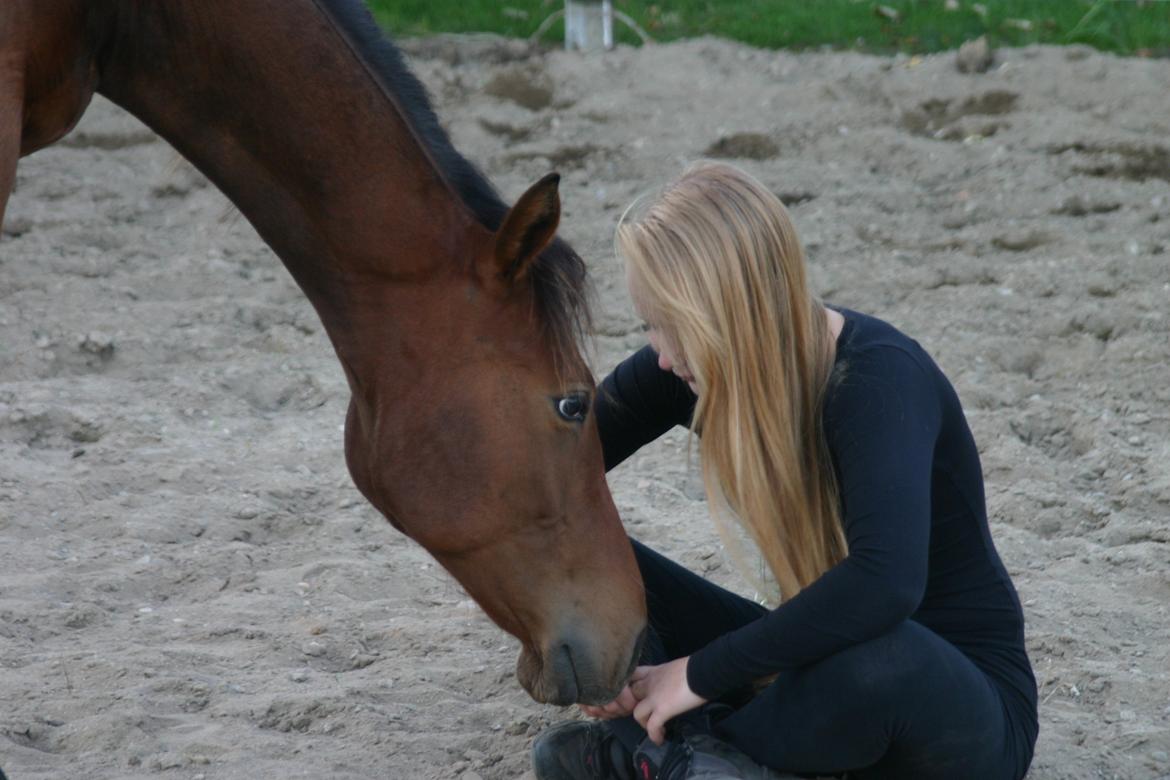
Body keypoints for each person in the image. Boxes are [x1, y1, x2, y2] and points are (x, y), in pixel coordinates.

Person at [531, 162, 1039, 780]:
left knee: (883, 653)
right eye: (648, 325)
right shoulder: (679, 373)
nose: (659, 353)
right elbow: (545, 489)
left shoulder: (879, 379)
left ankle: (657, 757)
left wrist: (696, 674)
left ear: (728, 313)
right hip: (807, 676)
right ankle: (686, 758)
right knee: (601, 558)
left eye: (671, 324)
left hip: (954, 714)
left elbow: (886, 584)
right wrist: (589, 637)